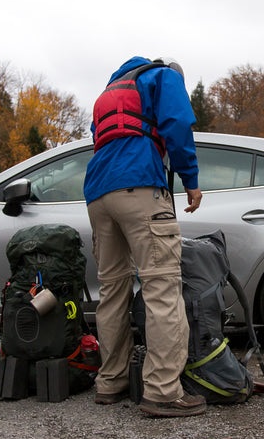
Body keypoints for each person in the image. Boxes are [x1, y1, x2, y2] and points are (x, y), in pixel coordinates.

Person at [83, 56, 205, 418]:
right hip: (139, 185)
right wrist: (191, 179)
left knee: (112, 289)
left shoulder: (110, 91)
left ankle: (111, 381)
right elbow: (178, 124)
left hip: (98, 193)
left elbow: (100, 139)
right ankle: (163, 391)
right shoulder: (164, 77)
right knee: (162, 287)